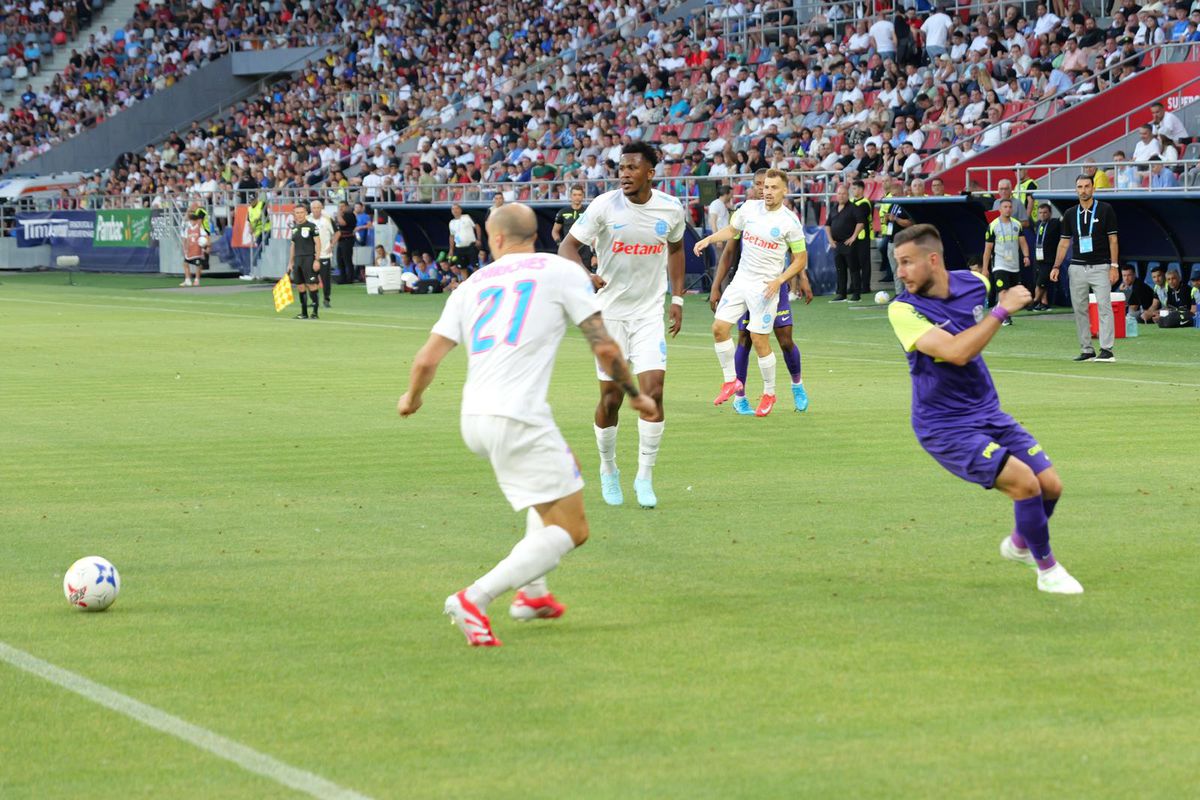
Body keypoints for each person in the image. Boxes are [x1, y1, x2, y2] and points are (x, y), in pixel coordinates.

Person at [397, 203, 655, 646]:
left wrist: (411, 398)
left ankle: (533, 595)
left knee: (550, 498)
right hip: (519, 416)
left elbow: (426, 358)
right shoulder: (560, 271)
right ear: (534, 235)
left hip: (474, 418)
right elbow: (605, 347)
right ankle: (473, 598)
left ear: (494, 239)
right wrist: (636, 394)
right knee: (573, 529)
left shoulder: (472, 283)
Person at [887, 223, 1083, 595]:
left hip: (988, 412)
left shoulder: (975, 284)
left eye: (907, 263)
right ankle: (1048, 569)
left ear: (933, 260)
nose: (900, 273)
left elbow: (981, 311)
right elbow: (957, 353)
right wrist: (1001, 311)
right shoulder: (902, 310)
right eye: (898, 264)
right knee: (1025, 484)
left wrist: (1000, 304)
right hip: (943, 426)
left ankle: (1021, 544)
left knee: (1051, 486)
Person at [558, 142, 686, 509]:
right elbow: (566, 248)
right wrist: (586, 274)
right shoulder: (603, 206)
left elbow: (676, 250)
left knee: (654, 392)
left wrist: (676, 298)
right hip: (609, 316)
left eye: (632, 168)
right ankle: (608, 468)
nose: (625, 174)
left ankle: (644, 478)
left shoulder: (670, 209)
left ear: (650, 172)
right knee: (611, 398)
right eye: (622, 168)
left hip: (647, 315)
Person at [695, 168, 809, 417]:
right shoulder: (748, 208)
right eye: (765, 187)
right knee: (718, 328)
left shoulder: (789, 221)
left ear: (784, 190)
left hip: (765, 288)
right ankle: (731, 381)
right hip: (741, 281)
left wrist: (780, 280)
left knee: (759, 340)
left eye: (773, 188)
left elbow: (800, 259)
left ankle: (769, 392)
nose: (767, 192)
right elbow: (731, 231)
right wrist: (709, 239)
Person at [1050, 175, 1120, 362]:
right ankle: (1087, 349)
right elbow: (1064, 243)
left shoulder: (1105, 209)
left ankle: (1107, 350)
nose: (1083, 190)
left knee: (1104, 307)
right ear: (1076, 190)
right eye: (1080, 187)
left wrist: (1114, 266)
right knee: (1080, 309)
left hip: (1101, 266)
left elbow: (1113, 239)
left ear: (1093, 188)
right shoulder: (1070, 214)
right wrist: (1056, 266)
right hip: (1077, 267)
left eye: (1087, 186)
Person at [982, 198, 1032, 321]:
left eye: (1010, 207)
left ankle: (998, 309)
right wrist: (985, 268)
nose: (1008, 209)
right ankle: (1005, 317)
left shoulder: (1017, 224)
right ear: (999, 209)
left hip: (1014, 265)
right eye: (1005, 207)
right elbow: (988, 249)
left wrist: (1026, 256)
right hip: (1000, 265)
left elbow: (1023, 242)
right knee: (1003, 291)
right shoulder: (993, 226)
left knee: (1012, 294)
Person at [824, 183, 862, 303]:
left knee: (854, 269)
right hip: (837, 244)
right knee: (840, 270)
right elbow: (827, 225)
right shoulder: (834, 208)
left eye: (844, 194)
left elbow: (860, 223)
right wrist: (830, 240)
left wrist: (853, 237)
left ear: (848, 195)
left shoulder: (854, 208)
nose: (841, 196)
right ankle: (841, 294)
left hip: (848, 244)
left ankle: (856, 294)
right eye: (839, 193)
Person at [288, 205, 322, 319]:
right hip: (298, 260)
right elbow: (293, 246)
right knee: (300, 286)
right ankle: (304, 313)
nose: (299, 215)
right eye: (297, 213)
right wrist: (290, 262)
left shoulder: (312, 227)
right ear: (294, 214)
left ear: (306, 213)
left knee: (312, 285)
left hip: (309, 259)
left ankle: (315, 312)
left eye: (301, 212)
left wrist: (317, 260)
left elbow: (318, 243)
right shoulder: (295, 228)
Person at [553, 185, 594, 270]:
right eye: (574, 195)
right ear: (570, 196)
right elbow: (555, 231)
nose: (577, 197)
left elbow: (594, 234)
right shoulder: (563, 212)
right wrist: (559, 243)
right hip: (568, 250)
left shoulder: (588, 212)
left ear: (583, 196)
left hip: (586, 252)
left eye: (579, 195)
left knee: (586, 277)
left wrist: (595, 255)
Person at [1031, 203, 1062, 311]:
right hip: (1038, 257)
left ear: (1050, 213)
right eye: (1040, 213)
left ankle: (1034, 302)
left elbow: (1064, 219)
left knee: (1041, 281)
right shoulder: (1038, 223)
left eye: (1045, 212)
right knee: (1039, 281)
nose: (1042, 215)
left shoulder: (1055, 223)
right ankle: (1044, 303)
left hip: (1049, 258)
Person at [850, 179, 873, 301]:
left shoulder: (865, 203)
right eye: (852, 188)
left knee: (864, 262)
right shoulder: (852, 202)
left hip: (863, 236)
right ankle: (854, 285)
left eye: (854, 188)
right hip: (853, 237)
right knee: (853, 263)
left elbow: (859, 220)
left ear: (861, 189)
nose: (852, 191)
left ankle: (865, 286)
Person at [310, 200, 336, 308]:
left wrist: (332, 244)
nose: (316, 210)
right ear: (311, 209)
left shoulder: (327, 219)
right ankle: (314, 300)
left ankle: (326, 299)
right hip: (311, 255)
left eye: (318, 208)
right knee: (311, 279)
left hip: (324, 254)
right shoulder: (307, 219)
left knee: (325, 279)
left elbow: (337, 232)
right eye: (314, 208)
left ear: (321, 208)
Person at [448, 204, 482, 272]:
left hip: (471, 246)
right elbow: (452, 236)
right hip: (459, 248)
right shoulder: (451, 223)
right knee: (462, 268)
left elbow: (477, 227)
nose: (455, 210)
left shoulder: (467, 217)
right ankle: (465, 281)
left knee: (475, 266)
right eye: (453, 209)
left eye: (456, 208)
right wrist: (451, 249)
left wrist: (478, 239)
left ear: (460, 210)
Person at [180, 210, 209, 287]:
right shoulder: (188, 229)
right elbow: (186, 240)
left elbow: (206, 237)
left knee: (198, 265)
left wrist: (206, 245)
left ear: (196, 221)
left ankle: (197, 280)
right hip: (190, 250)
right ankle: (187, 280)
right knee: (185, 263)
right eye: (191, 220)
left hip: (197, 250)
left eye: (193, 220)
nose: (191, 222)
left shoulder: (200, 229)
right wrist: (185, 248)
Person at [336, 201, 357, 283]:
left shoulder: (350, 215)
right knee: (339, 260)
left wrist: (338, 215)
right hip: (341, 240)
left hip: (347, 239)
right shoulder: (342, 215)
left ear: (347, 206)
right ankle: (342, 278)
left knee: (347, 259)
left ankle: (350, 278)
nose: (340, 208)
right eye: (339, 206)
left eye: (342, 206)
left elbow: (343, 223)